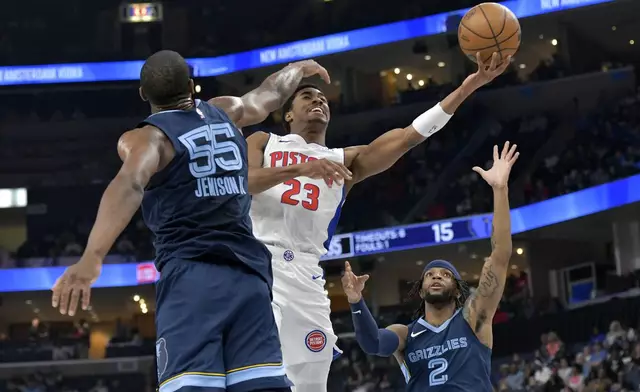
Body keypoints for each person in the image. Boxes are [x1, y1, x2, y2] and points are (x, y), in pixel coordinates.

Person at [50, 50, 332, 392]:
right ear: (190, 86)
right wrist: (297, 68)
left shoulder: (146, 138)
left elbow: (129, 184)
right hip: (251, 278)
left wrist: (92, 257)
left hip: (192, 278)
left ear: (143, 93)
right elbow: (270, 93)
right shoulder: (226, 111)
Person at [246, 52, 511, 392]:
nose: (318, 101)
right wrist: (300, 168)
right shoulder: (263, 141)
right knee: (254, 364)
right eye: (307, 96)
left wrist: (469, 85)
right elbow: (244, 182)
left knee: (310, 380)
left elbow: (409, 136)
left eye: (323, 98)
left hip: (306, 272)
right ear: (288, 114)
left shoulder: (347, 161)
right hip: (258, 259)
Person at [341, 141, 519, 391]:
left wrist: (500, 189)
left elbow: (500, 254)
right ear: (422, 290)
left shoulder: (473, 318)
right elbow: (373, 344)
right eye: (430, 275)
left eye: (445, 275)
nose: (436, 277)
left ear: (457, 290)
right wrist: (356, 301)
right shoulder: (405, 334)